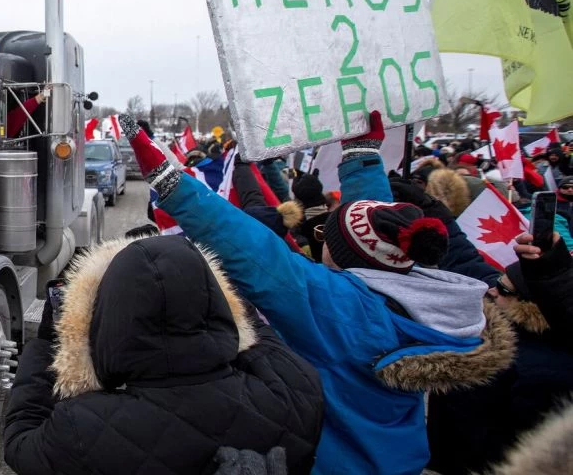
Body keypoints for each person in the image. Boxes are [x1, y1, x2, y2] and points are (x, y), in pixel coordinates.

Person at [118, 112, 517, 474]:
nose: (321, 236)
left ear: (343, 255)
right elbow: (370, 225)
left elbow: (254, 251)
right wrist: (361, 155)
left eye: (328, 235)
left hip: (332, 463)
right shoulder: (420, 293)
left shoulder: (339, 307)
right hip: (399, 459)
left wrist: (171, 184)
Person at [4, 235, 325, 474]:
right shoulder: (293, 394)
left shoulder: (79, 427)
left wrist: (50, 341)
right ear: (215, 301)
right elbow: (257, 337)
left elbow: (21, 442)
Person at [426, 231, 573, 473]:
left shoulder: (531, 369)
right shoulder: (512, 325)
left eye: (503, 290)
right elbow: (465, 259)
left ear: (529, 306)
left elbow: (483, 436)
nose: (492, 291)